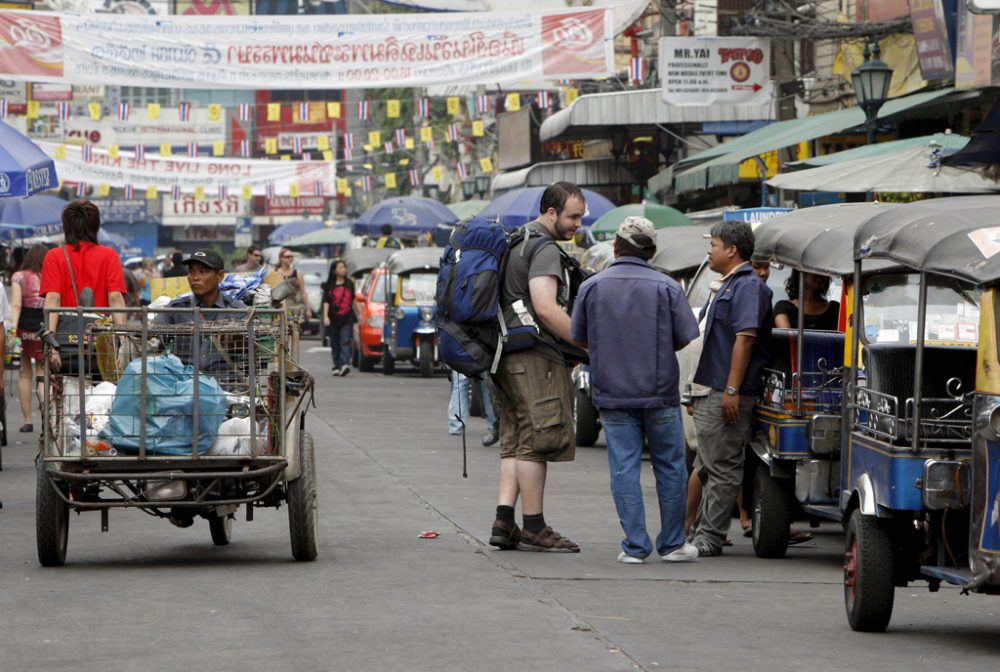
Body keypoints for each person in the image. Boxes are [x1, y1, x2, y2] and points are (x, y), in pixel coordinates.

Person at [571, 217, 701, 564]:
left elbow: (579, 335)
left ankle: (635, 547)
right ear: (652, 252)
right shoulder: (667, 287)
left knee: (623, 468)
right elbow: (686, 335)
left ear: (616, 247)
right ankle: (673, 544)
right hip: (659, 392)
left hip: (613, 392)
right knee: (671, 467)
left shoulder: (593, 286)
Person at [489, 182, 586, 553]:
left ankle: (503, 520)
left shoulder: (517, 240)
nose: (578, 223)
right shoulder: (544, 248)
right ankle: (534, 525)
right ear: (551, 213)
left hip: (504, 353)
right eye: (572, 215)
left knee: (514, 437)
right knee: (537, 440)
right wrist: (584, 343)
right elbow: (545, 307)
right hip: (534, 356)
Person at [688, 220, 773, 558]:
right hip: (713, 386)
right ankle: (699, 531)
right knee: (709, 463)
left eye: (714, 244)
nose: (710, 250)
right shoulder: (728, 285)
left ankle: (709, 536)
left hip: (729, 388)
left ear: (731, 250)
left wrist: (732, 389)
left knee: (721, 467)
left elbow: (745, 339)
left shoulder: (748, 287)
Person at [40, 200, 128, 374]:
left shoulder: (54, 256)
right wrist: (123, 343)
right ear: (95, 226)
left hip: (64, 345)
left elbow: (53, 299)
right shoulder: (109, 255)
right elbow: (116, 298)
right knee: (103, 394)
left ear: (67, 227)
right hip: (100, 346)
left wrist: (51, 346)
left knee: (62, 394)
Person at [154, 249, 246, 375]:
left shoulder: (236, 310)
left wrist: (239, 338)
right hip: (184, 384)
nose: (195, 277)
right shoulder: (177, 309)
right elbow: (153, 335)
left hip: (225, 385)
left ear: (219, 276)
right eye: (191, 271)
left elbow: (253, 350)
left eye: (203, 271)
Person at [10, 244, 47, 432]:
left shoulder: (18, 277)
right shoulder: (49, 275)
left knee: (24, 374)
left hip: (24, 327)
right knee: (42, 374)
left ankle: (27, 421)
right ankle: (47, 417)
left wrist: (12, 332)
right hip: (44, 327)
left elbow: (16, 305)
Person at [773, 269, 840, 330]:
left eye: (825, 269)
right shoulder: (783, 308)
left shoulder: (836, 309)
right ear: (800, 270)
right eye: (815, 268)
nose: (821, 273)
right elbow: (787, 340)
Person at [323, 258, 355, 376]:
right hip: (333, 318)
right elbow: (326, 301)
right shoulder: (329, 285)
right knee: (335, 342)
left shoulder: (350, 283)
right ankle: (336, 365)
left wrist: (360, 314)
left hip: (347, 317)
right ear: (334, 271)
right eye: (340, 267)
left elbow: (354, 299)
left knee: (345, 340)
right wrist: (325, 316)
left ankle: (344, 364)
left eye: (344, 267)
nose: (343, 269)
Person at [448, 372, 499, 446]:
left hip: (463, 361)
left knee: (460, 386)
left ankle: (456, 425)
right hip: (483, 361)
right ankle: (494, 425)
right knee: (487, 389)